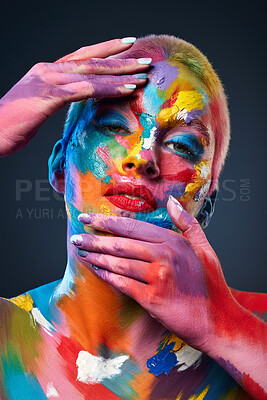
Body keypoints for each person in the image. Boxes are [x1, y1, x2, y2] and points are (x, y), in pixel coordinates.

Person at [0, 34, 266, 400]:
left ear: (205, 203)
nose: (144, 157)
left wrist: (222, 328)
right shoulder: (7, 336)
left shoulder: (256, 327)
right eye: (113, 126)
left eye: (182, 145)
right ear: (60, 166)